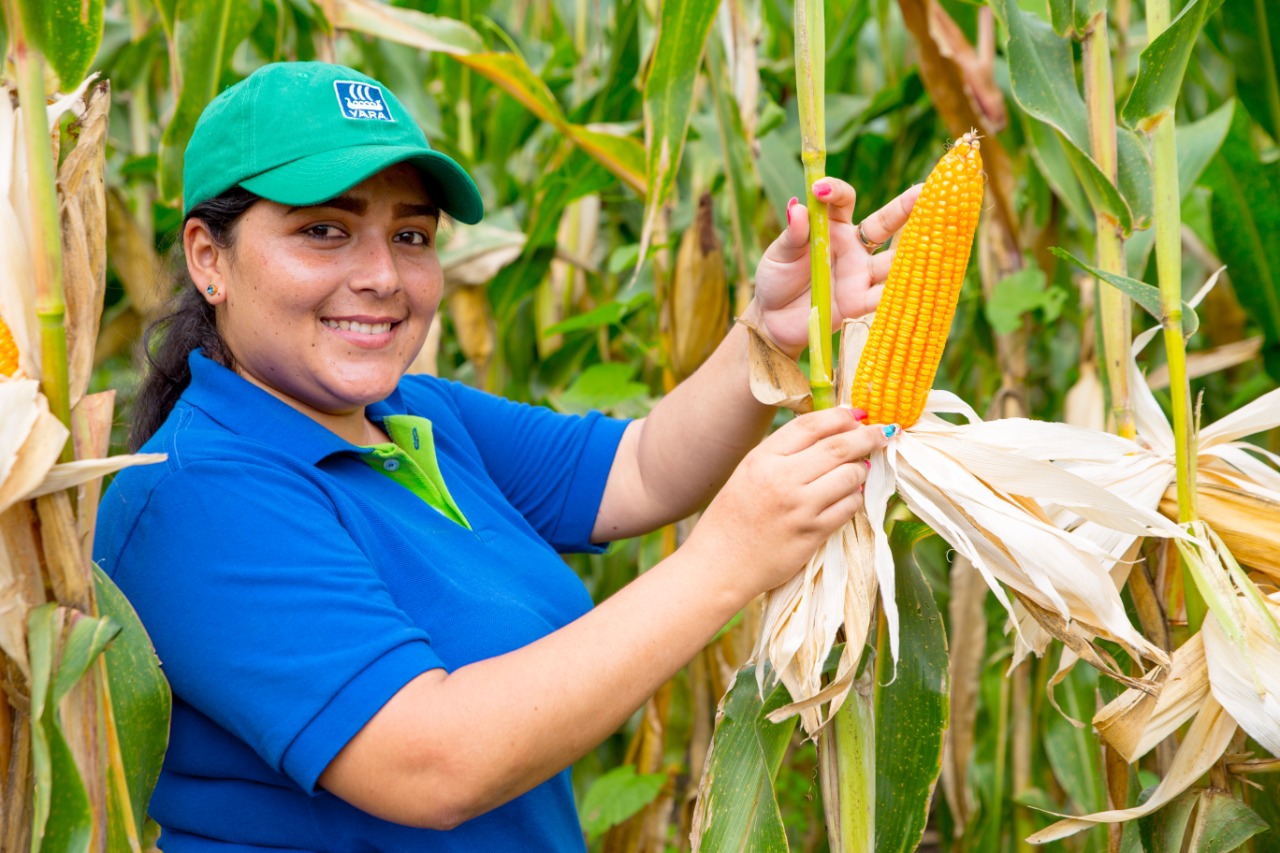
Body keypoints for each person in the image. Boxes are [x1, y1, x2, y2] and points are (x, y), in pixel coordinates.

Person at [94, 61, 918, 851]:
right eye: (324, 231)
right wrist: (728, 560)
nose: (383, 274)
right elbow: (432, 763)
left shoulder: (416, 414)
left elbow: (638, 469)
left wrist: (764, 337)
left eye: (410, 234)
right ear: (209, 258)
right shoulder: (192, 492)